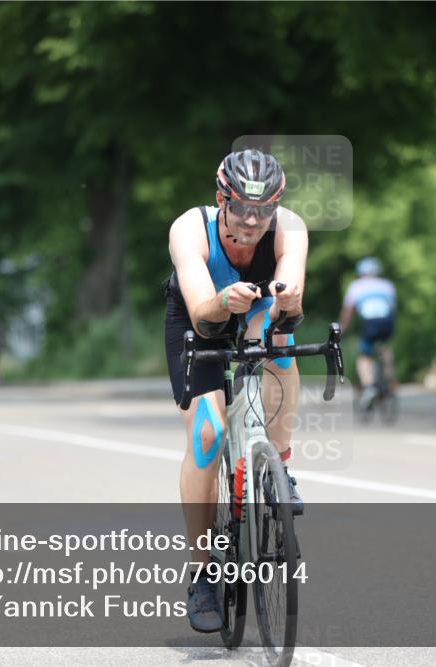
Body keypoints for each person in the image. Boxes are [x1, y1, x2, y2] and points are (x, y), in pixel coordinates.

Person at [165, 149, 307, 633]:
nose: (252, 221)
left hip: (256, 312)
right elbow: (205, 314)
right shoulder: (190, 228)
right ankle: (201, 570)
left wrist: (285, 299)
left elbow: (292, 303)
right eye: (242, 208)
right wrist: (225, 298)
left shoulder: (291, 228)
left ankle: (278, 467)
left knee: (281, 344)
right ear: (221, 198)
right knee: (207, 435)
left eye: (263, 210)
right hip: (199, 314)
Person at [339, 257, 397, 407]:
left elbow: (348, 311)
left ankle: (369, 386)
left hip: (370, 322)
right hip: (387, 321)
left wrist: (342, 328)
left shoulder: (356, 286)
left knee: (364, 356)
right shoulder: (387, 285)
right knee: (384, 346)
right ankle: (389, 375)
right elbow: (392, 308)